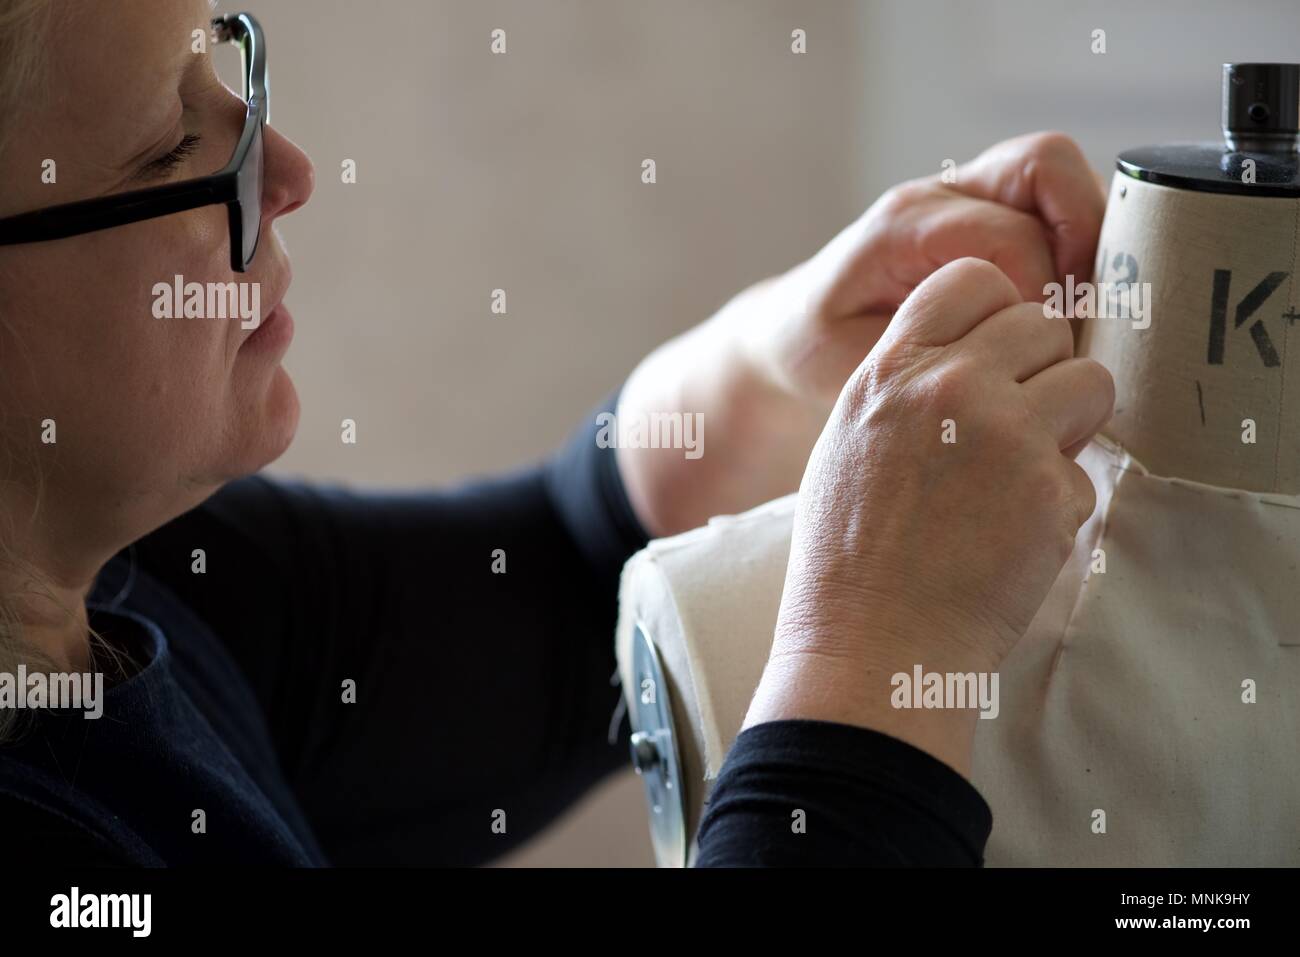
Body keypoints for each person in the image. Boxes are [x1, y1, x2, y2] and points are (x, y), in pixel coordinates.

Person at [0, 0, 1113, 866]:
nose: (286, 172)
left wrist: (760, 373)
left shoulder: (135, 592)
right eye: (168, 147)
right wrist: (875, 652)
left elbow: (543, 588)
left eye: (224, 61)